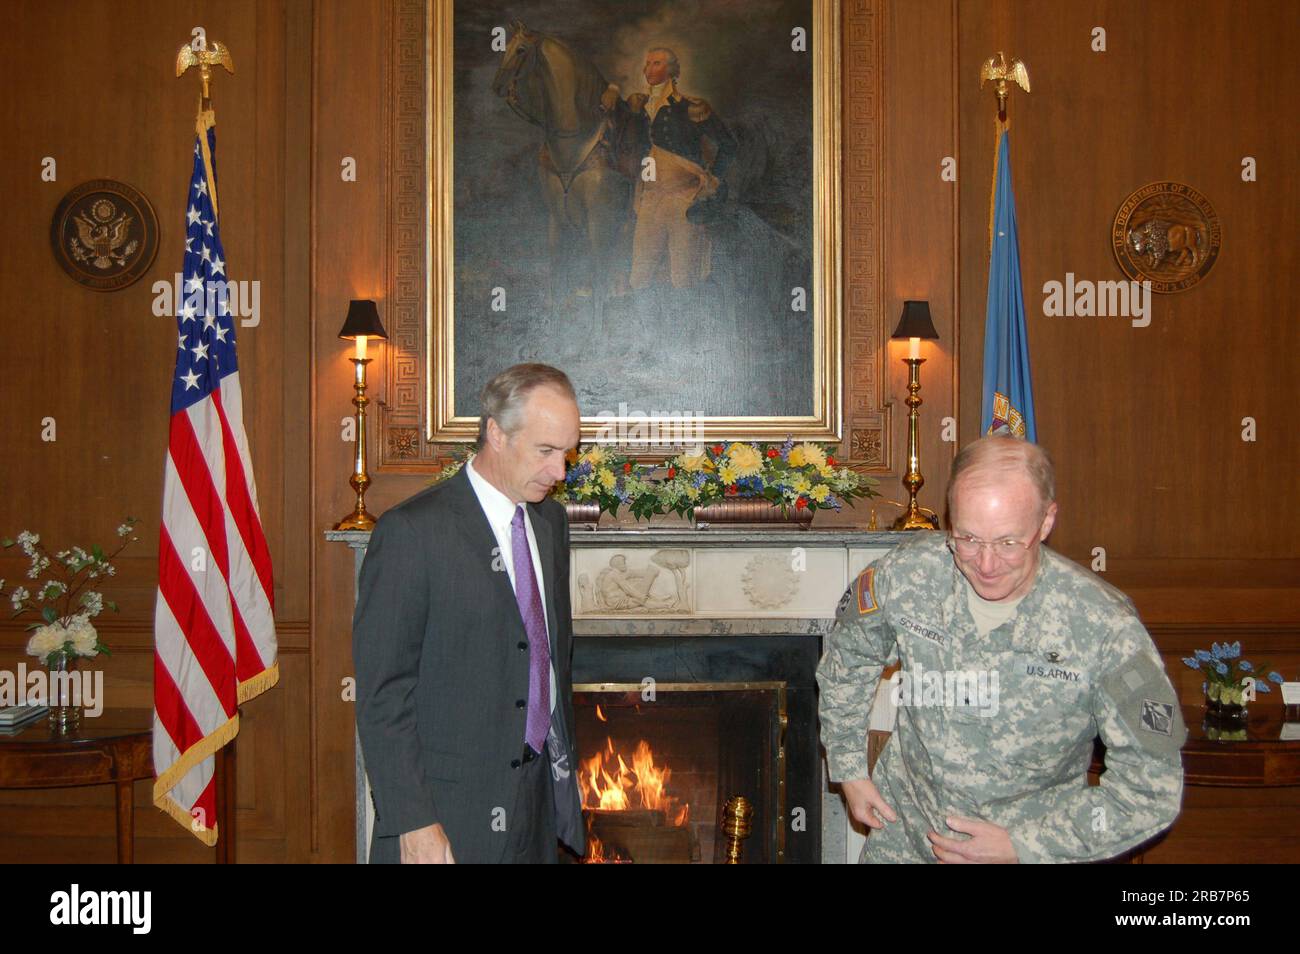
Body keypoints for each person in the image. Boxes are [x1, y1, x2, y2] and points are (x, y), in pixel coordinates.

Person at [817, 436, 1186, 863]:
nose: (986, 564)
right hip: (905, 844)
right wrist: (848, 770)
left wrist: (1025, 845)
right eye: (968, 539)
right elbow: (847, 660)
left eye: (1009, 543)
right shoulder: (907, 575)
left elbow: (1152, 788)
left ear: (1046, 522)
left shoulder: (1105, 626)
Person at [353, 363, 586, 863]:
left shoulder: (550, 522)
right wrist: (413, 821)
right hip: (445, 816)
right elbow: (383, 696)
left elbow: (549, 660)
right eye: (545, 451)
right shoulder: (412, 533)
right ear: (496, 434)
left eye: (566, 453)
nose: (560, 472)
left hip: (536, 808)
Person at [606, 46, 736, 289]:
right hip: (649, 198)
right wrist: (612, 89)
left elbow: (728, 145)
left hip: (684, 198)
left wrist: (712, 182)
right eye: (647, 64)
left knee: (684, 278)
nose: (648, 69)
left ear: (672, 70)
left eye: (656, 63)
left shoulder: (691, 107)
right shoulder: (637, 108)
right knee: (639, 279)